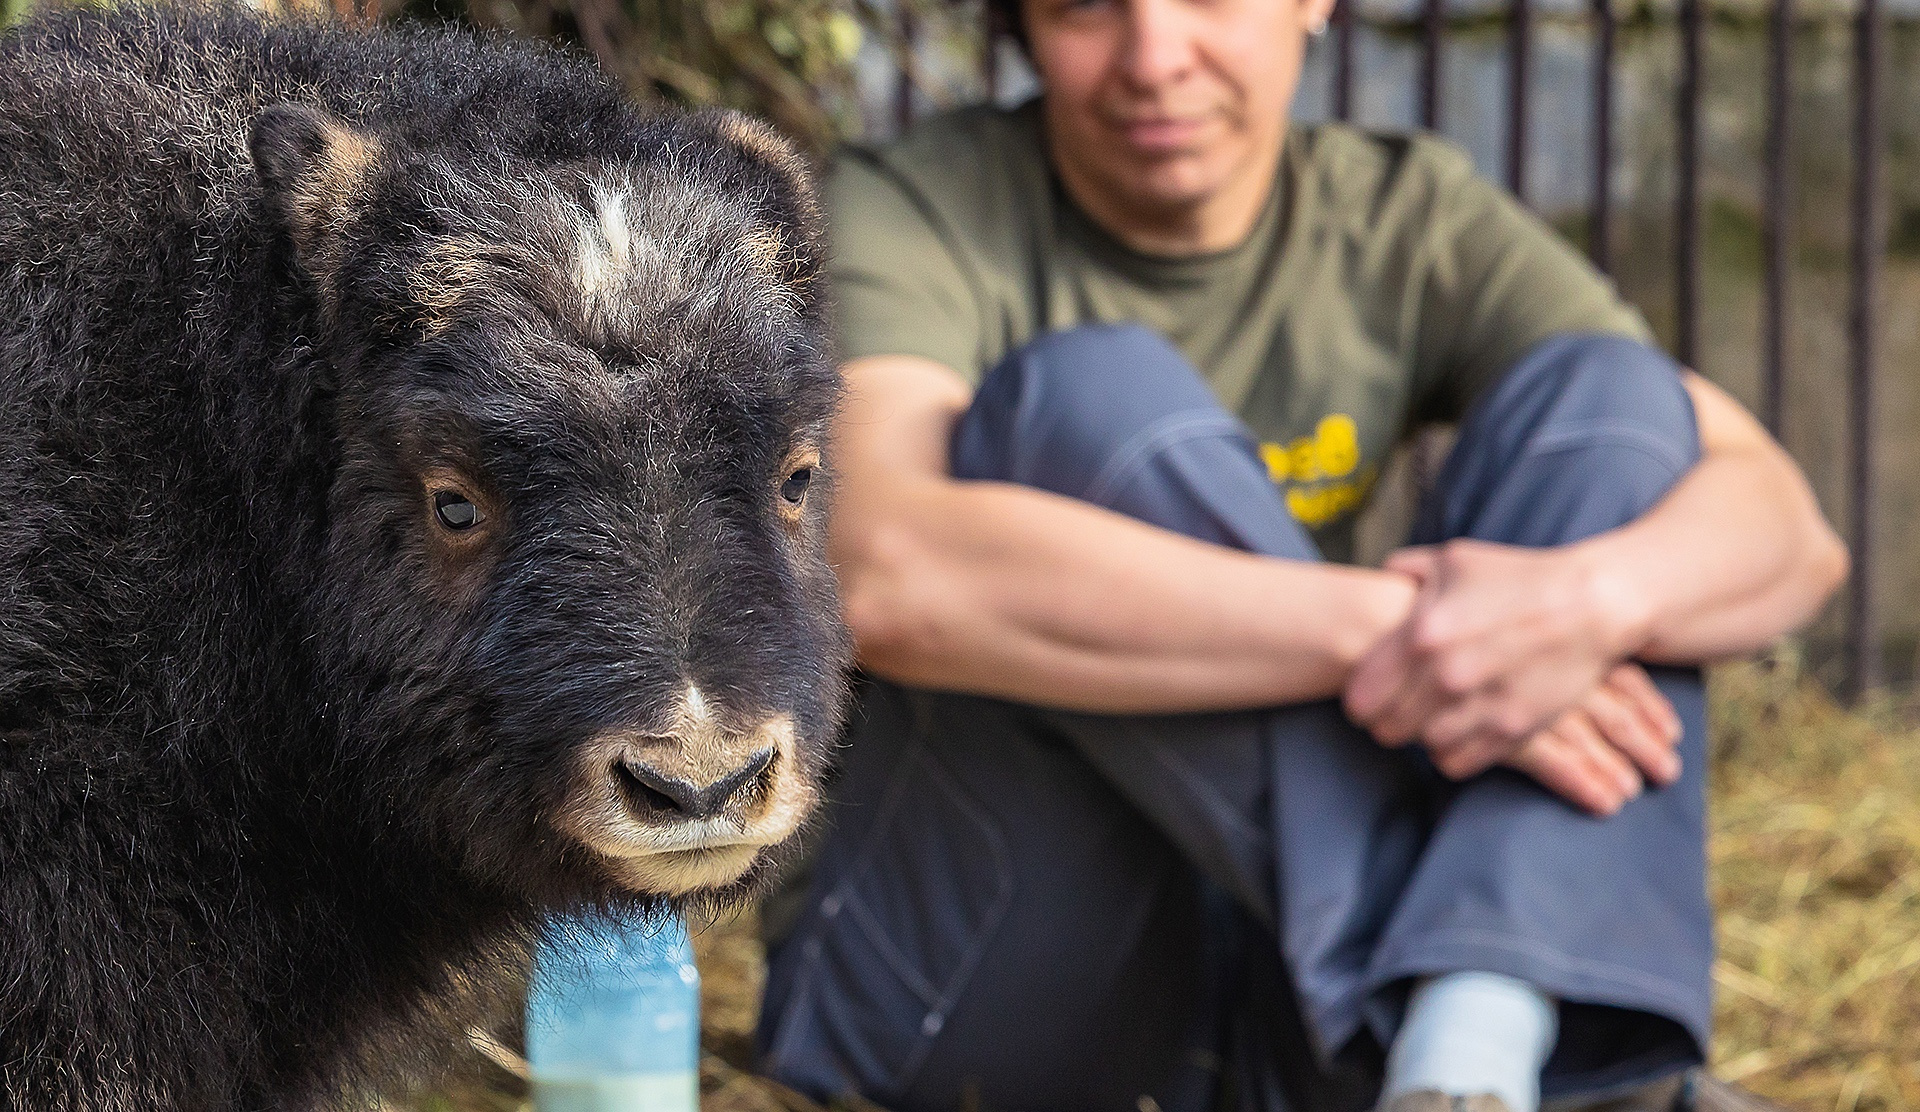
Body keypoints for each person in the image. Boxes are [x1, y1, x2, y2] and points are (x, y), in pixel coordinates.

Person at [754, 0, 1849, 1109]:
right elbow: (885, 567)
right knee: (1088, 400)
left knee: (1609, 397)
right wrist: (1414, 630)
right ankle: (1548, 1038)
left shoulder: (1405, 212)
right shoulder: (909, 204)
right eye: (1087, 5)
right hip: (995, 984)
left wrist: (1583, 607)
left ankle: (1470, 1038)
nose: (1155, 57)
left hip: (1300, 984)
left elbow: (1786, 538)